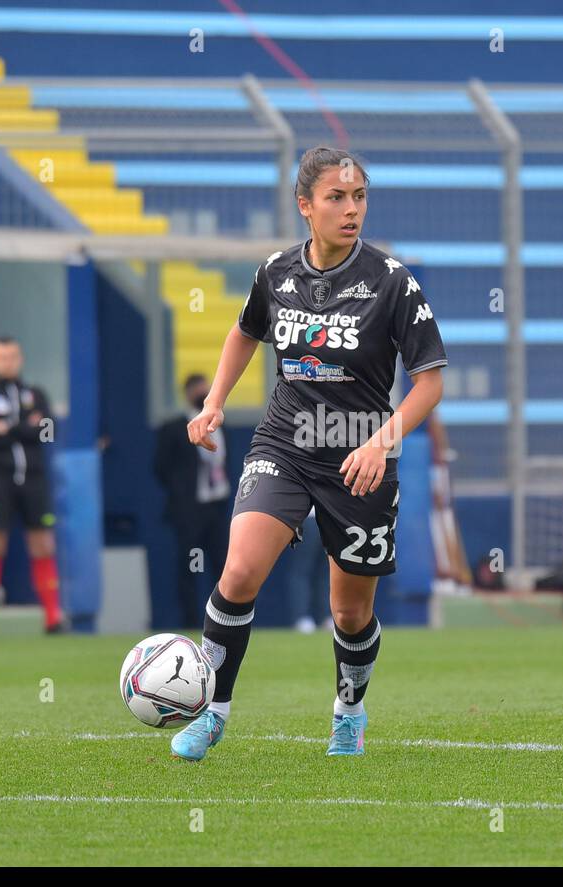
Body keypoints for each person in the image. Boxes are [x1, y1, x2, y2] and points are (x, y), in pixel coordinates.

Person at [169, 145, 447, 762]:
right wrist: (214, 402)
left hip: (361, 459)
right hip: (285, 443)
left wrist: (383, 442)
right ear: (305, 205)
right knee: (239, 571)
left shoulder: (393, 282)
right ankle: (212, 710)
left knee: (349, 613)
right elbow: (245, 331)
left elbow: (429, 382)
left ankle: (349, 712)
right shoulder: (275, 273)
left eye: (360, 197)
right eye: (337, 198)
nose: (352, 210)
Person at [0, 336, 63, 636]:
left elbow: (47, 431)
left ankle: (53, 618)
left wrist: (9, 427)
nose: (6, 362)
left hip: (34, 479)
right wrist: (25, 425)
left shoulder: (36, 393)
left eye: (11, 356)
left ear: (20, 358)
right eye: (0, 357)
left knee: (43, 544)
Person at [153, 373, 231, 629]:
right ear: (187, 394)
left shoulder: (219, 426)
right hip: (190, 511)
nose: (202, 394)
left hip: (216, 506)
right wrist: (181, 493)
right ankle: (190, 621)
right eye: (198, 390)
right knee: (189, 566)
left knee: (222, 565)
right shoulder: (174, 428)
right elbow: (160, 467)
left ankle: (223, 621)